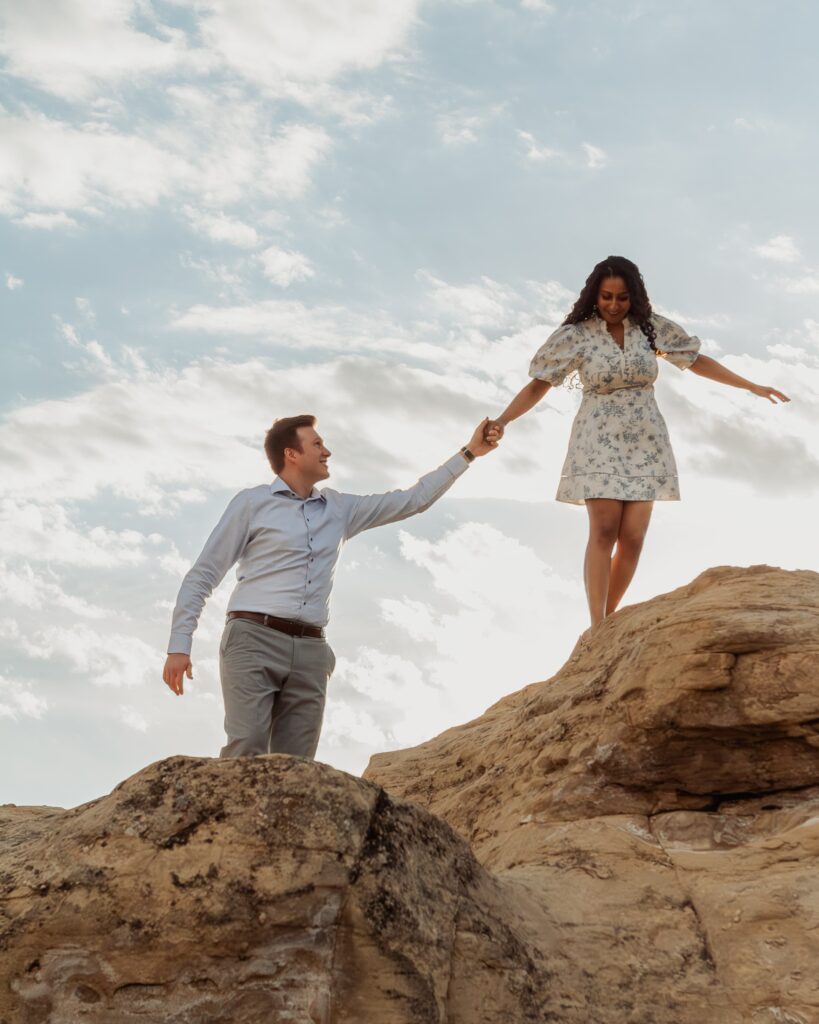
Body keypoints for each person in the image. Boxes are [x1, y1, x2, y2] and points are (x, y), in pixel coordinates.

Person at [487, 255, 789, 639]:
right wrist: (502, 420)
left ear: (636, 297)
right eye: (607, 297)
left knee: (632, 538)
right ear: (594, 295)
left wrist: (751, 385)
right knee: (604, 530)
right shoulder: (576, 335)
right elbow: (539, 384)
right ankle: (596, 627)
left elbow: (695, 361)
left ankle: (607, 624)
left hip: (646, 439)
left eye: (623, 298)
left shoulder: (649, 330)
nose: (614, 305)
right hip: (597, 438)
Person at [162, 414, 500, 758]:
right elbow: (203, 574)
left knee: (296, 769)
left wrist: (469, 452)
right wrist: (179, 645)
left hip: (311, 650)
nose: (328, 452)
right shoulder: (252, 503)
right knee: (246, 747)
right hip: (252, 639)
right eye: (317, 444)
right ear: (291, 454)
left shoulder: (340, 509)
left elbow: (413, 500)